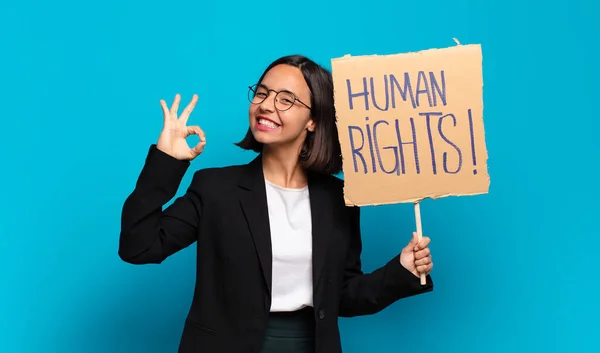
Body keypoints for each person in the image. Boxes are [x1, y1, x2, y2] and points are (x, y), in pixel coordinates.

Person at [118, 54, 434, 353]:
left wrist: (402, 270)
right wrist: (165, 162)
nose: (267, 106)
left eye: (285, 99)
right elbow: (139, 247)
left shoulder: (339, 199)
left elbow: (342, 297)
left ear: (313, 120)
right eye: (262, 94)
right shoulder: (216, 188)